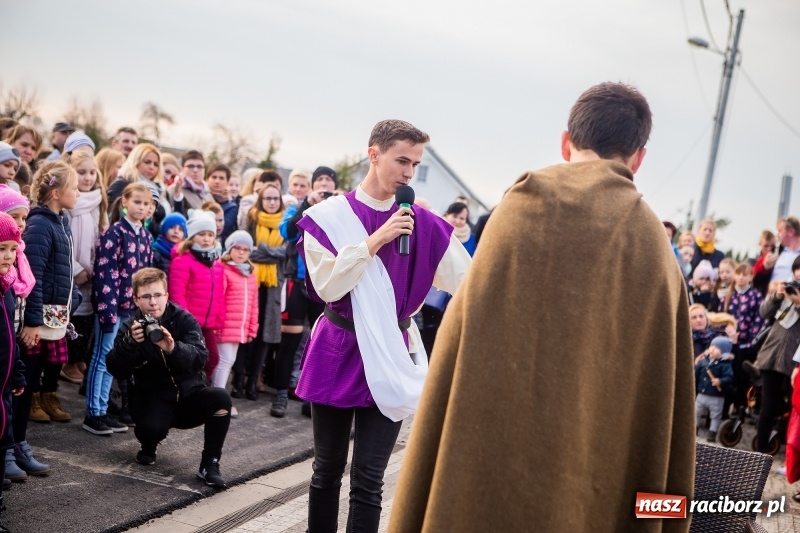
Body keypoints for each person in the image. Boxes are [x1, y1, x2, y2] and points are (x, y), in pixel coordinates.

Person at [389, 83, 695, 533]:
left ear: (566, 142)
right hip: (595, 493)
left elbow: (460, 346)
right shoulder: (655, 249)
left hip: (483, 480)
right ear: (639, 157)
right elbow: (667, 406)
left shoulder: (517, 211)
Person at [295, 120, 470, 532]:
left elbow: (472, 283)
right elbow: (326, 286)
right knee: (326, 470)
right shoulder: (327, 217)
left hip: (393, 352)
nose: (409, 173)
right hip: (339, 346)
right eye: (402, 161)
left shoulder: (424, 225)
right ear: (374, 155)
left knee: (370, 478)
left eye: (416, 164)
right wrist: (375, 241)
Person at [106, 268, 231, 488]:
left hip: (189, 396)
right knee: (150, 429)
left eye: (157, 295)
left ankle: (209, 464)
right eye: (146, 296)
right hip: (153, 398)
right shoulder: (129, 327)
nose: (153, 302)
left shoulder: (183, 319)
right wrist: (129, 345)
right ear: (135, 299)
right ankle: (148, 444)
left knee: (221, 398)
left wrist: (173, 348)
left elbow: (202, 358)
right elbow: (116, 370)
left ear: (167, 295)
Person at [84, 182, 153, 436]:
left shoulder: (146, 236)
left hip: (131, 310)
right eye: (137, 202)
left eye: (146, 204)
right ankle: (93, 413)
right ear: (124, 202)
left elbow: (147, 277)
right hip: (111, 307)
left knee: (114, 361)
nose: (141, 207)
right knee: (102, 358)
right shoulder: (114, 233)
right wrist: (107, 309)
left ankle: (104, 411)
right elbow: (105, 274)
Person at [276, 166, 338, 417]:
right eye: (319, 179)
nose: (324, 184)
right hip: (296, 281)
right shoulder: (297, 206)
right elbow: (288, 232)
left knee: (320, 341)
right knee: (289, 340)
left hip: (324, 284)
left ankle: (312, 397)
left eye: (328, 180)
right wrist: (306, 205)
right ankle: (280, 393)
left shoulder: (341, 209)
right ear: (313, 185)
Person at [233, 184, 285, 402]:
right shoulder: (251, 219)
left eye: (275, 198)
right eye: (267, 198)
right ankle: (237, 382)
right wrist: (268, 254)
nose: (271, 202)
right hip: (250, 280)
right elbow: (246, 250)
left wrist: (261, 251)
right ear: (260, 200)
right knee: (246, 333)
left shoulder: (285, 223)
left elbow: (285, 252)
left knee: (265, 335)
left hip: (273, 286)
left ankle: (253, 382)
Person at [63, 150, 109, 386]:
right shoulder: (69, 203)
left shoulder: (99, 201)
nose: (88, 177)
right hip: (73, 271)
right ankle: (68, 362)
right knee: (73, 316)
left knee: (86, 318)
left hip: (92, 271)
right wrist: (77, 268)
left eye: (92, 172)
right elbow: (64, 240)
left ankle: (78, 358)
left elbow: (102, 233)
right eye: (82, 172)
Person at [745, 259, 800, 454]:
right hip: (772, 354)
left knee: (793, 407)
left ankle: (789, 451)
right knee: (767, 404)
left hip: (794, 361)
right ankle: (760, 450)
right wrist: (777, 296)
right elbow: (764, 312)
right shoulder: (786, 291)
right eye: (796, 274)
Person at [168, 210, 224, 379]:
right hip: (190, 323)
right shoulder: (182, 261)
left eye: (209, 234)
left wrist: (218, 320)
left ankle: (200, 389)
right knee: (191, 359)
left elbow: (219, 294)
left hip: (207, 324)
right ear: (192, 237)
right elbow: (177, 294)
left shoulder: (216, 263)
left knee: (212, 358)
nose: (206, 239)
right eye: (201, 234)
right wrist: (186, 321)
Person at [0, 212, 27, 531]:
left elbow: (10, 338)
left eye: (12, 248)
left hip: (4, 387)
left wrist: (18, 371)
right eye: (1, 248)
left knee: (1, 445)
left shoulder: (7, 289)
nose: (8, 256)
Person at [214, 231, 258, 418]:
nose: (241, 253)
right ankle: (217, 401)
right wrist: (217, 322)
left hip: (239, 327)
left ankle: (218, 398)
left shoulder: (250, 274)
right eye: (237, 248)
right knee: (223, 362)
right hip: (224, 325)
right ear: (230, 248)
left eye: (246, 250)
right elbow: (218, 300)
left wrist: (251, 328)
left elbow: (253, 304)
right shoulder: (223, 269)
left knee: (228, 361)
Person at [107, 143, 168, 239]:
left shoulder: (158, 189)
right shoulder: (122, 184)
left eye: (156, 164)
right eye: (147, 162)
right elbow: (111, 216)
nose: (152, 167)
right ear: (135, 161)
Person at [695, 336, 734, 443]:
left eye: (716, 347)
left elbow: (729, 377)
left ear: (723, 352)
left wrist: (720, 381)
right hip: (702, 393)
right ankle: (694, 427)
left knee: (715, 415)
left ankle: (712, 432)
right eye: (711, 346)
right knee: (696, 412)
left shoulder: (725, 365)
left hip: (716, 396)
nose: (712, 349)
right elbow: (696, 373)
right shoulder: (704, 361)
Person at [205, 164, 237, 241]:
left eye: (221, 178)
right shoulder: (200, 197)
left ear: (227, 182)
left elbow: (221, 229)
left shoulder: (231, 206)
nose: (217, 181)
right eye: (214, 177)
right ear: (207, 179)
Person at [753, 229, 777, 295]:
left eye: (772, 246)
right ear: (760, 244)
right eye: (766, 246)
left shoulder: (779, 261)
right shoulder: (753, 262)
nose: (769, 249)